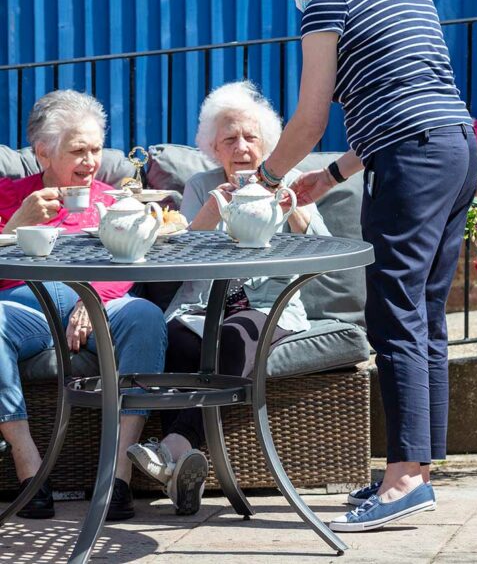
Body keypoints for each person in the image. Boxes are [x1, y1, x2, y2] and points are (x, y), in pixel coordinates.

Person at [258, 0, 477, 531]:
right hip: (456, 150)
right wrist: (329, 176)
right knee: (425, 312)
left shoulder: (324, 2)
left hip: (412, 159)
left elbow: (307, 116)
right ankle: (417, 471)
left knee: (393, 310)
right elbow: (408, 98)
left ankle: (404, 478)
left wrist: (267, 179)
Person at [127, 80, 329, 515]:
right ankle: (182, 473)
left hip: (264, 308)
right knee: (174, 341)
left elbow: (324, 252)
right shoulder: (201, 186)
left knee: (236, 337)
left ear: (268, 143)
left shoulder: (292, 181)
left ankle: (174, 446)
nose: (241, 147)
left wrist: (293, 207)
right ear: (213, 148)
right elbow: (176, 259)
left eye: (250, 137)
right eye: (229, 139)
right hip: (200, 308)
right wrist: (208, 215)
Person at [0, 90, 167, 521]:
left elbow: (132, 263)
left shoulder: (114, 201)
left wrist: (91, 300)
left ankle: (117, 476)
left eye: (96, 149)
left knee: (145, 316)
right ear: (43, 153)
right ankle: (29, 469)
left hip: (100, 307)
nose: (91, 161)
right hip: (27, 309)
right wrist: (18, 223)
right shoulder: (8, 195)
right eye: (78, 150)